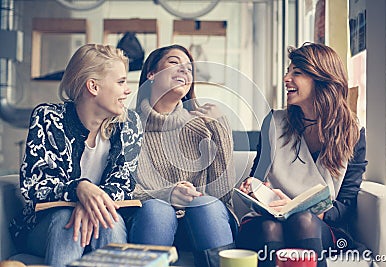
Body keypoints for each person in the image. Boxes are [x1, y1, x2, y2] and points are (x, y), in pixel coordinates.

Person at [9, 44, 143, 267]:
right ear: (93, 86)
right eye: (121, 82)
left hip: (103, 221)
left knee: (109, 220)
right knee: (65, 219)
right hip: (44, 227)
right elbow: (35, 184)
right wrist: (79, 189)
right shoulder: (48, 118)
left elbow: (123, 183)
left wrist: (90, 201)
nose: (127, 90)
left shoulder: (129, 124)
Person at [235, 43, 367, 267]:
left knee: (303, 220)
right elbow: (258, 178)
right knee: (270, 228)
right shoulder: (275, 122)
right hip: (268, 220)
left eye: (297, 72)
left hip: (318, 224)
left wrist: (302, 209)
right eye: (288, 71)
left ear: (321, 78)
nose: (287, 78)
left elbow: (346, 202)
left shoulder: (352, 131)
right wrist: (254, 189)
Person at [126, 44, 237, 267]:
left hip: (202, 222)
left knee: (205, 205)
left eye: (189, 69)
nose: (184, 71)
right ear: (152, 75)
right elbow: (122, 190)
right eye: (174, 63)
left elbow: (222, 195)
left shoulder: (201, 127)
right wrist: (167, 194)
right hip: (150, 222)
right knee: (157, 209)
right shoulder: (127, 128)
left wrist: (220, 127)